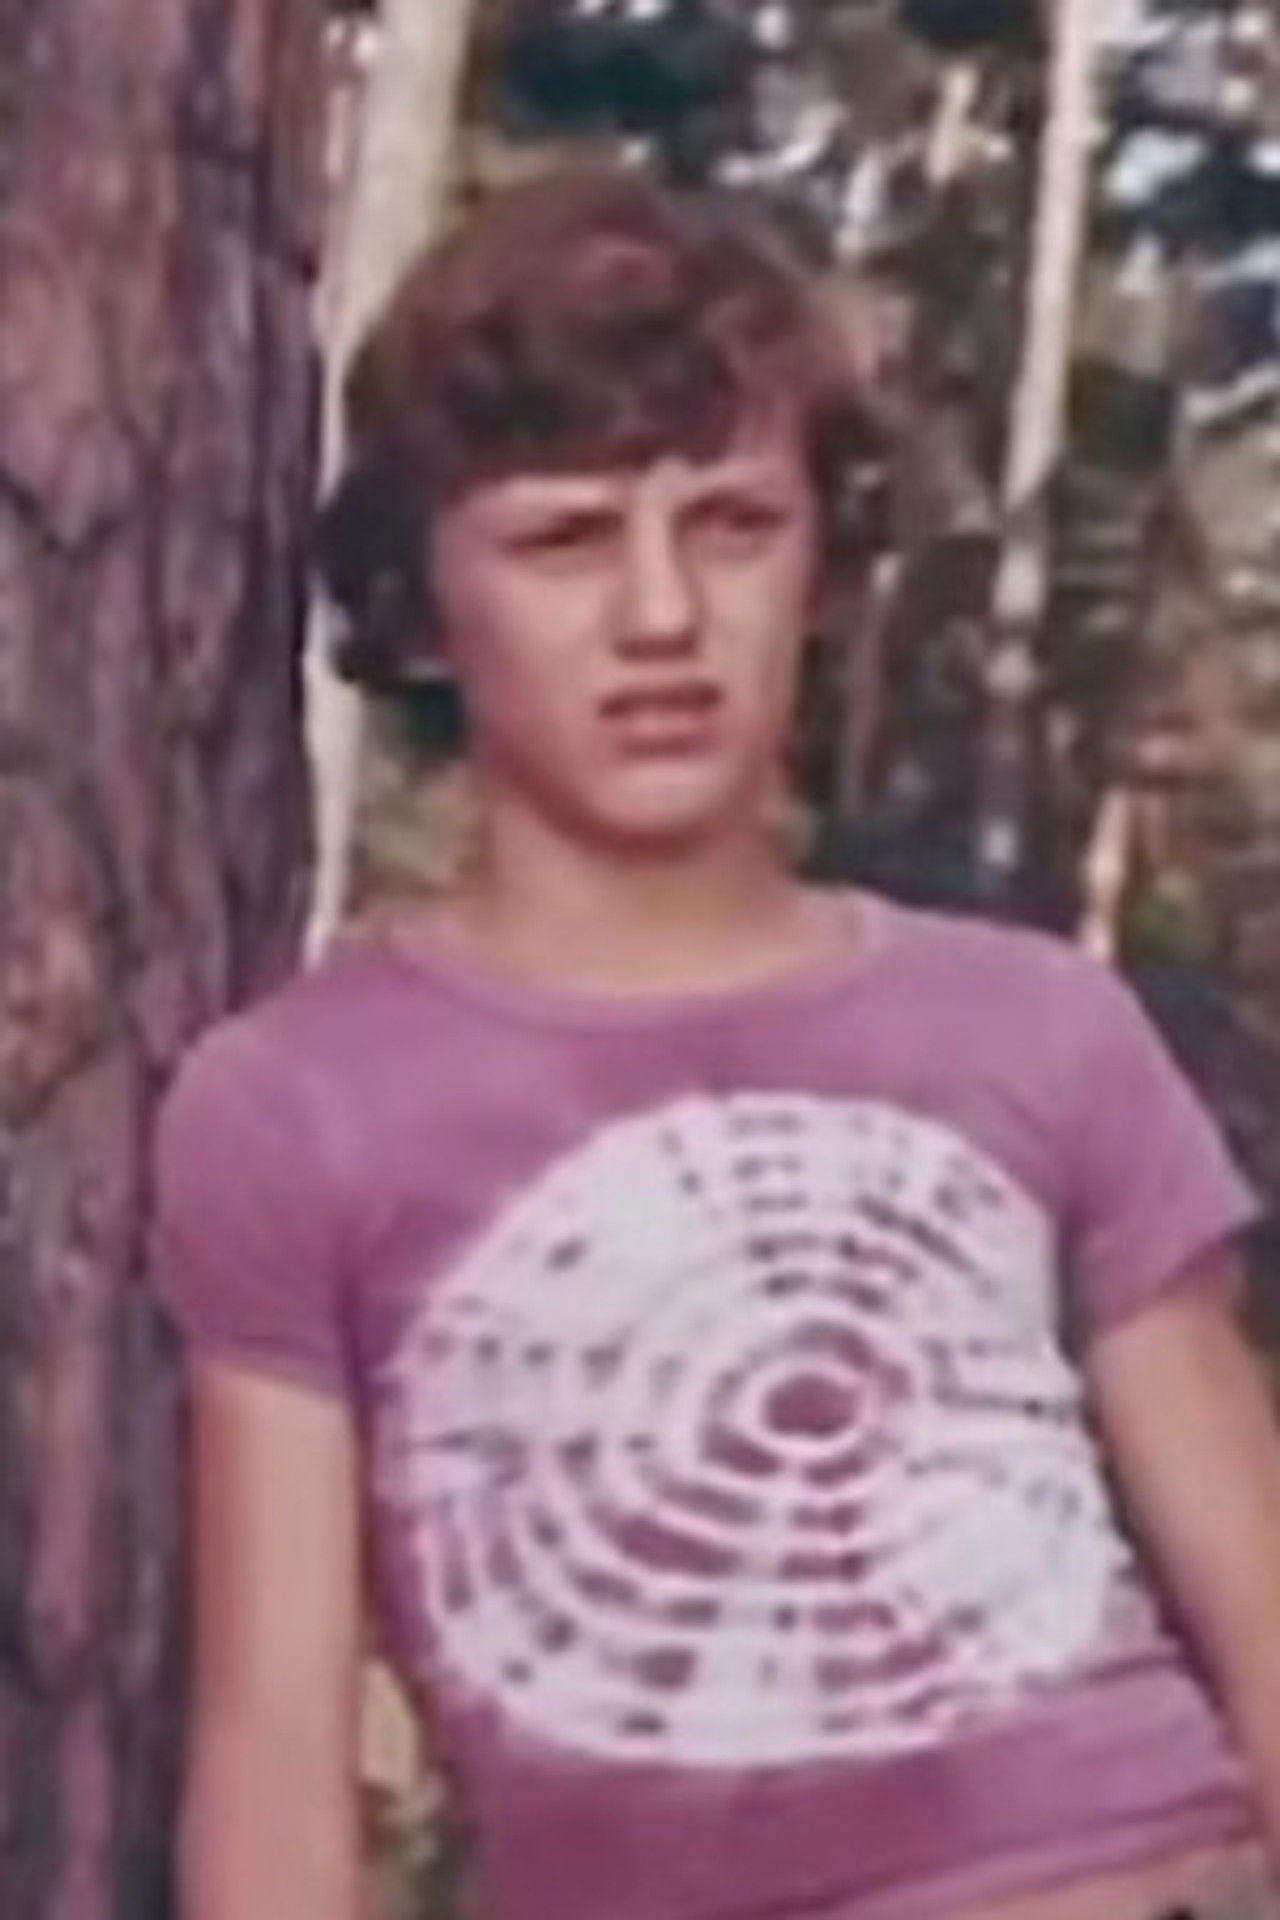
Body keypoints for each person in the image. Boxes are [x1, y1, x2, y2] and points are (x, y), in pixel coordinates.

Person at [153, 166, 1280, 1920]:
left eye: (734, 524)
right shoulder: (297, 1104)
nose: (663, 616)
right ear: (420, 605)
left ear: (823, 566)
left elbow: (1260, 1602)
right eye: (565, 541)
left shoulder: (1035, 1022)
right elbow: (274, 1750)